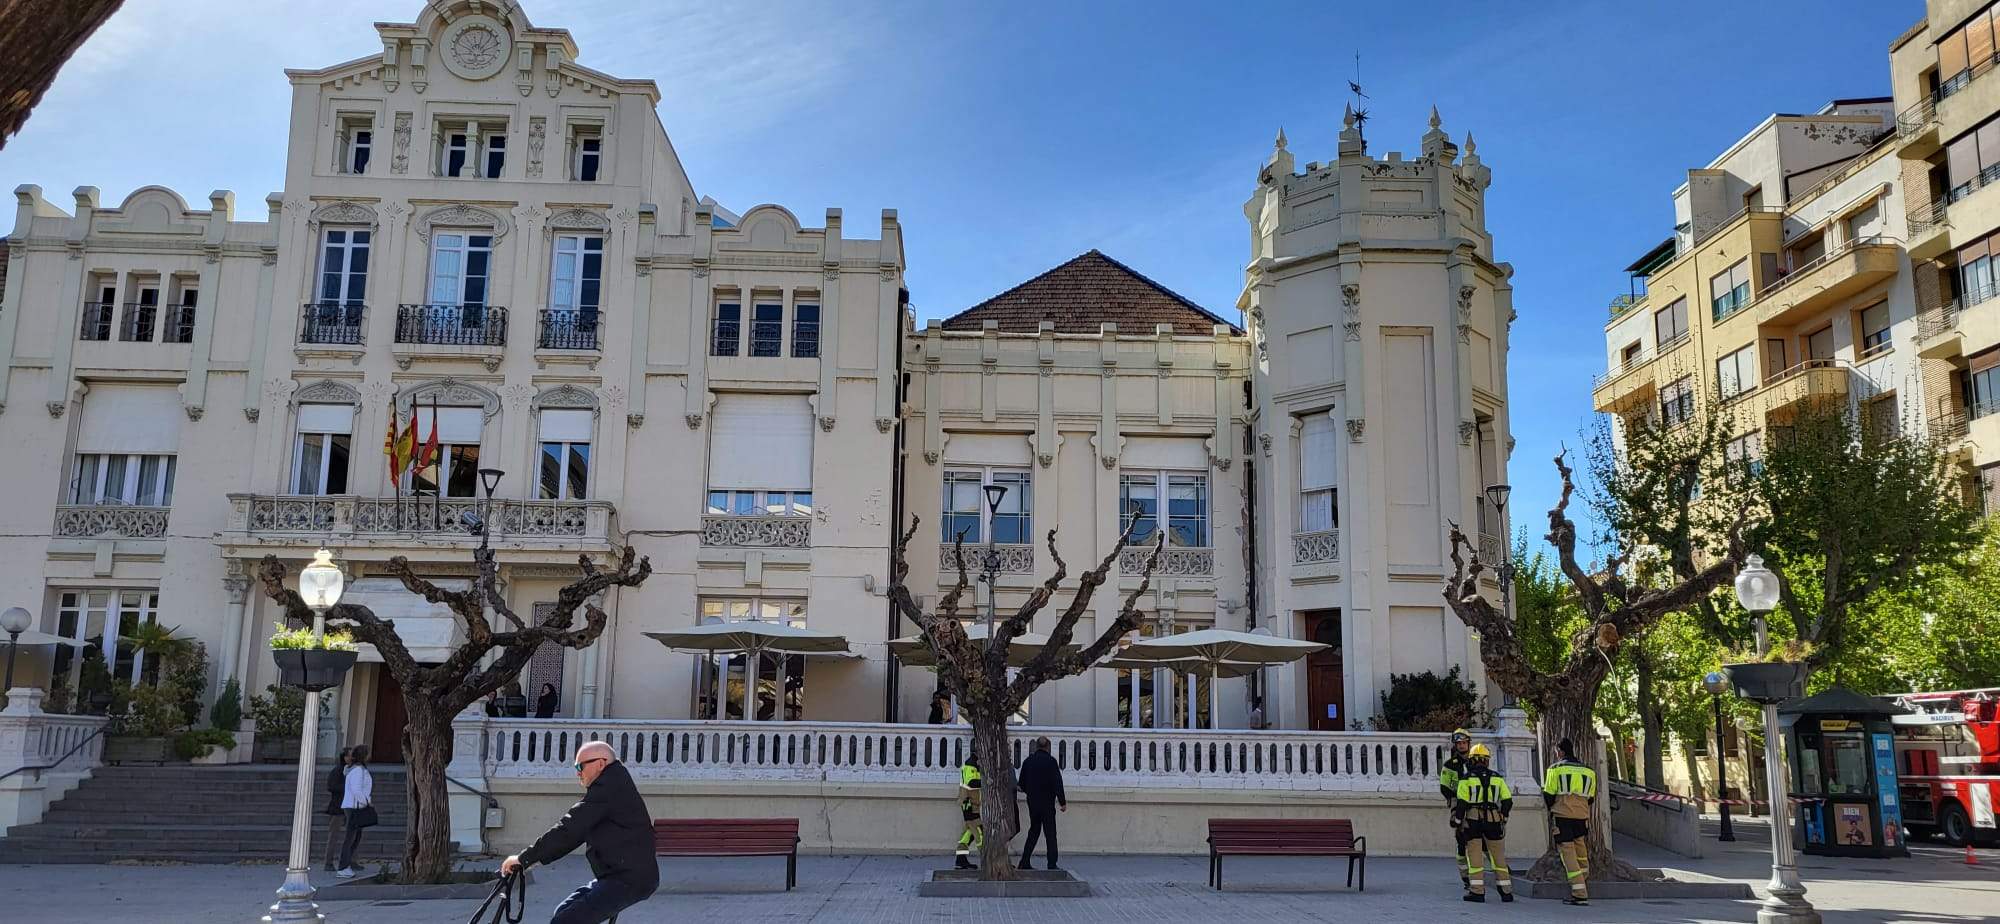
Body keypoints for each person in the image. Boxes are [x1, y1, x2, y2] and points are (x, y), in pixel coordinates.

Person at [503, 741, 658, 924]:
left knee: (566, 921)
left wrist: (523, 858)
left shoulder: (608, 790)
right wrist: (531, 859)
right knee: (564, 911)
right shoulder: (611, 785)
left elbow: (568, 829)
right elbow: (573, 834)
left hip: (628, 879)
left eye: (580, 766)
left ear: (600, 763)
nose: (578, 772)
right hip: (619, 876)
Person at [1452, 743, 1514, 903]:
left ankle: (1477, 892)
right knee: (1498, 857)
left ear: (1471, 761)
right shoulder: (1497, 778)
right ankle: (1506, 892)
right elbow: (1507, 801)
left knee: (1475, 858)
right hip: (1493, 820)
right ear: (1486, 761)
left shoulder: (1466, 780)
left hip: (1473, 821)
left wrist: (1457, 821)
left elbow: (1462, 803)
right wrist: (1503, 817)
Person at [1542, 738, 1597, 907]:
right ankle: (1584, 876)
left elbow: (1549, 794)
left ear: (1561, 751)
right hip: (1582, 815)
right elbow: (1591, 798)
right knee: (1580, 845)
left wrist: (1553, 808)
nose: (1556, 754)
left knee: (1567, 851)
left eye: (1557, 751)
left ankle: (1579, 892)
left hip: (1562, 814)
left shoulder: (1555, 769)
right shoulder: (1589, 771)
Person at [1017, 736, 1067, 870]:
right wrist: (1062, 802)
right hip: (1047, 804)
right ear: (1048, 747)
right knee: (1050, 834)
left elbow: (1021, 785)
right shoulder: (1051, 762)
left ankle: (1024, 861)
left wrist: (1031, 792)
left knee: (1034, 831)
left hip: (1033, 803)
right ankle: (1051, 864)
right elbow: (1058, 783)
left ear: (1036, 746)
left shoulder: (1028, 761)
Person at [1439, 728, 1474, 889]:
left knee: (1486, 838)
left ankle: (1492, 873)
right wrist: (1455, 801)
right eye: (1458, 743)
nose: (1461, 746)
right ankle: (1466, 877)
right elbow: (1445, 787)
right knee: (1461, 839)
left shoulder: (1476, 762)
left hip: (1476, 803)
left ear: (1469, 743)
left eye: (1464, 743)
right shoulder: (1450, 765)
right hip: (1458, 803)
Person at [335, 745, 375, 879]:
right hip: (354, 807)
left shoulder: (356, 770)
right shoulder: (358, 771)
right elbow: (357, 790)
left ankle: (346, 864)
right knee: (350, 838)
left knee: (354, 838)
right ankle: (343, 866)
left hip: (354, 806)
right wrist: (366, 801)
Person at [321, 747, 350, 872]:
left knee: (351, 836)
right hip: (338, 807)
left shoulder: (352, 770)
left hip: (349, 807)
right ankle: (328, 862)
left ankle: (349, 861)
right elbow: (331, 786)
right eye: (348, 756)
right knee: (333, 835)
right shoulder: (338, 770)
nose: (351, 758)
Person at [953, 754, 983, 870]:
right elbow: (971, 783)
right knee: (979, 831)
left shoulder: (975, 764)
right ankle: (985, 858)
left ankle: (961, 860)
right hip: (968, 804)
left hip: (971, 804)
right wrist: (985, 780)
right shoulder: (970, 765)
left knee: (968, 833)